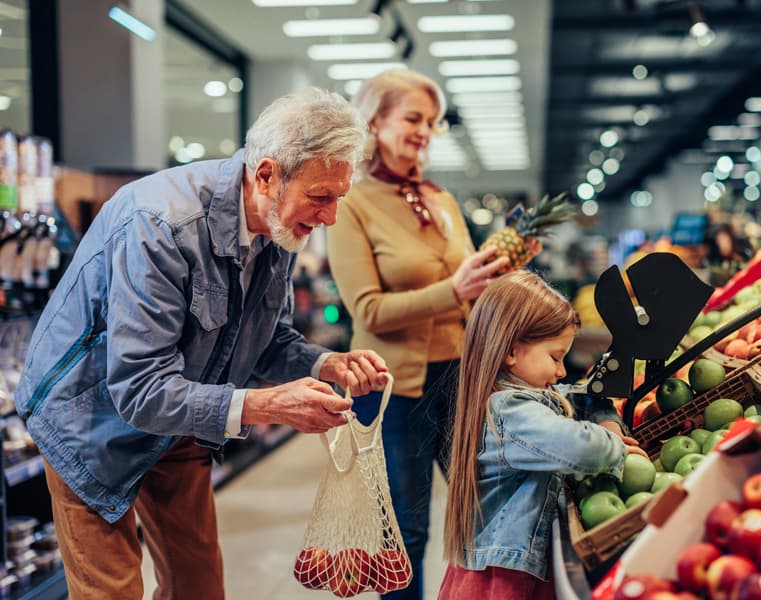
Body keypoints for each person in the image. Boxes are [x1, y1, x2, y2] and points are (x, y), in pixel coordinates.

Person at [13, 88, 390, 599]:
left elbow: (265, 337)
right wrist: (264, 405)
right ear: (266, 175)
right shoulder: (160, 225)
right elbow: (140, 388)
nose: (330, 217)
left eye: (338, 198)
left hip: (183, 413)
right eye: (321, 197)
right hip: (89, 419)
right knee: (112, 591)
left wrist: (325, 363)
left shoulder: (277, 227)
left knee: (199, 588)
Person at [326, 69, 508, 599]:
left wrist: (495, 275)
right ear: (374, 121)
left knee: (484, 509)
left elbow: (468, 287)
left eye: (431, 121)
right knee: (404, 531)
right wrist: (454, 290)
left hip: (459, 377)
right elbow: (368, 310)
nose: (424, 130)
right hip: (391, 391)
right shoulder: (350, 202)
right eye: (412, 118)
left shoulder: (440, 199)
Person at [441, 270, 647, 599]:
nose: (562, 371)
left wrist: (601, 409)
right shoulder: (509, 411)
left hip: (512, 569)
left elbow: (570, 396)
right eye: (555, 357)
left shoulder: (519, 396)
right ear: (511, 352)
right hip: (502, 582)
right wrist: (615, 448)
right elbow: (577, 447)